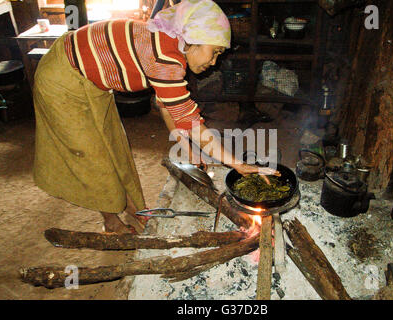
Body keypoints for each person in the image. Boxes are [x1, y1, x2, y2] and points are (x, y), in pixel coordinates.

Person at [32, 0, 277, 235]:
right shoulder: (165, 58)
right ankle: (111, 222)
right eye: (213, 53)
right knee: (93, 156)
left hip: (90, 80)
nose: (213, 63)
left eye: (218, 56)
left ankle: (134, 210)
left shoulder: (173, 45)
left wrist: (187, 148)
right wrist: (236, 163)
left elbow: (167, 106)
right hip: (62, 78)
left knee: (114, 147)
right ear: (193, 39)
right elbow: (191, 122)